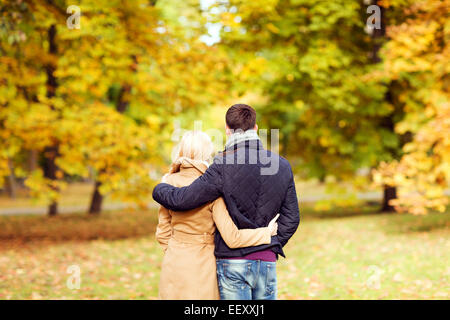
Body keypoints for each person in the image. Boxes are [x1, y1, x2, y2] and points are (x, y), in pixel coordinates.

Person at [153, 104, 300, 300]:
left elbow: (183, 199)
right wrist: (271, 243)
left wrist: (160, 188)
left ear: (227, 130)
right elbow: (292, 218)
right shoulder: (281, 165)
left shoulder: (221, 166)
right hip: (266, 261)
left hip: (232, 262)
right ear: (255, 128)